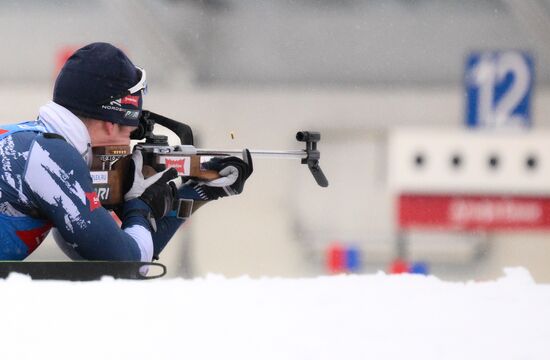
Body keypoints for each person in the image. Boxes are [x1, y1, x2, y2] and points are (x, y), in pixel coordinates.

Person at [0, 42, 252, 262]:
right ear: (111, 123)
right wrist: (137, 205)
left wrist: (196, 193)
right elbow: (126, 263)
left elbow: (100, 249)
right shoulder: (50, 156)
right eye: (130, 133)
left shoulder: (33, 144)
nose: (127, 145)